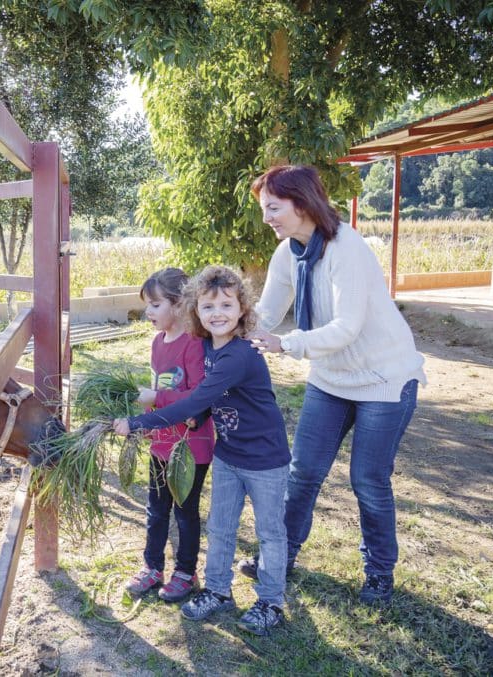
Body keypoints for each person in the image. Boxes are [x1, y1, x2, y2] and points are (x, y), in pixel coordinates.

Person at [246, 164, 425, 605]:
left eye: (273, 207)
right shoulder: (288, 253)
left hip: (384, 378)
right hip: (331, 379)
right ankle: (280, 555)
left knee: (368, 479)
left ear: (302, 203)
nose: (267, 216)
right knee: (303, 472)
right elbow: (266, 315)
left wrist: (286, 344)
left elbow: (347, 327)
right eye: (264, 208)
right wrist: (224, 329)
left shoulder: (348, 248)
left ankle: (379, 573)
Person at [113, 266, 290, 636]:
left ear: (243, 309)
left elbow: (196, 399)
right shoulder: (208, 346)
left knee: (270, 533)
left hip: (264, 460)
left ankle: (270, 600)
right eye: (208, 307)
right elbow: (207, 400)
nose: (217, 314)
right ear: (195, 310)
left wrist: (138, 423)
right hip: (228, 454)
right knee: (220, 527)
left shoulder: (238, 355)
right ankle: (217, 590)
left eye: (227, 305)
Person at [123, 268, 214, 604]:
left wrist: (154, 401)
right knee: (156, 508)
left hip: (191, 446)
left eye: (156, 304)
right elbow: (159, 387)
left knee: (185, 511)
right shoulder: (158, 343)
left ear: (178, 305)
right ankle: (152, 567)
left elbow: (197, 397)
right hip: (162, 442)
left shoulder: (194, 344)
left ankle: (185, 573)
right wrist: (147, 423)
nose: (149, 311)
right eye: (147, 305)